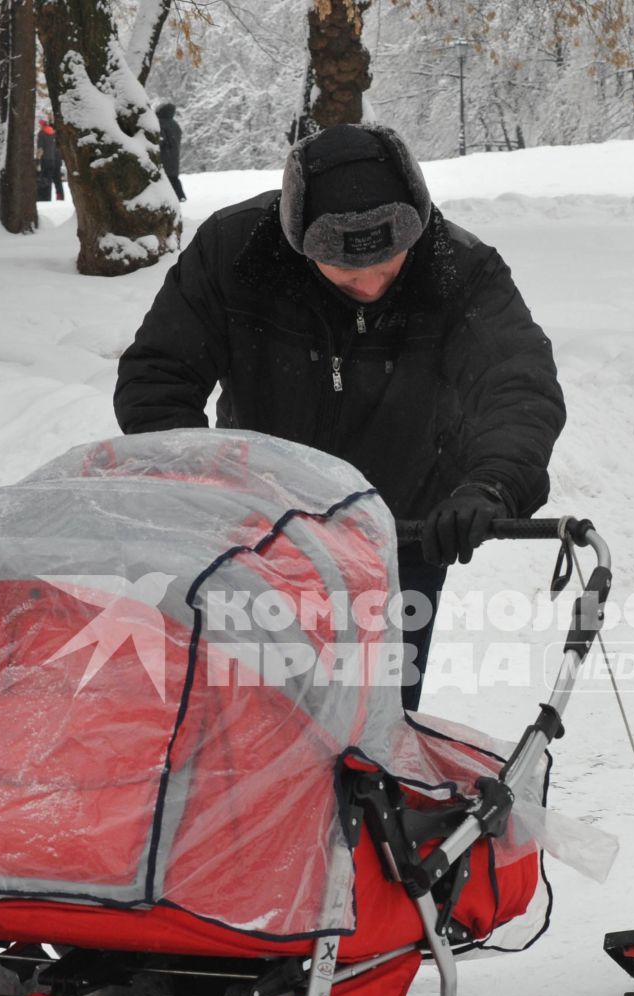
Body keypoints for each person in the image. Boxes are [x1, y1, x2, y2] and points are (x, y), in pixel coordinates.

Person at [114, 123, 566, 710]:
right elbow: (158, 376)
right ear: (303, 246)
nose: (373, 286)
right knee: (251, 716)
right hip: (257, 539)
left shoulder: (461, 270)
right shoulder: (233, 253)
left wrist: (491, 484)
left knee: (376, 721)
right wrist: (203, 482)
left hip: (399, 539)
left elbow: (519, 386)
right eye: (351, 275)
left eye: (389, 265)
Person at [154, 102, 187, 202]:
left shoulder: (160, 123)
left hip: (164, 157)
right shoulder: (175, 124)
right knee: (172, 178)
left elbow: (160, 140)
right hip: (173, 157)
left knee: (165, 179)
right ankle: (179, 196)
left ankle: (174, 198)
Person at [36, 118, 64, 201]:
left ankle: (46, 198)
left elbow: (40, 149)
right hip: (56, 160)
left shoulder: (41, 133)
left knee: (45, 180)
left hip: (46, 160)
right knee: (57, 180)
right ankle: (60, 198)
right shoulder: (54, 133)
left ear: (42, 125)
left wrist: (38, 161)